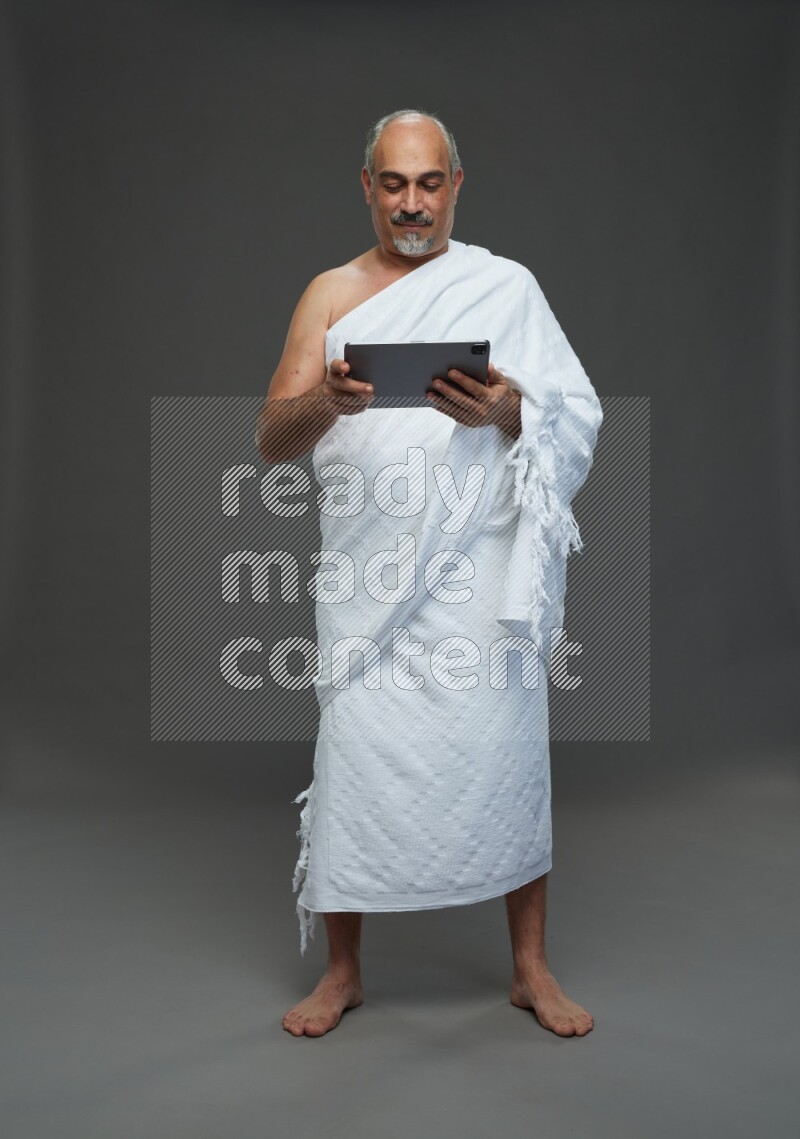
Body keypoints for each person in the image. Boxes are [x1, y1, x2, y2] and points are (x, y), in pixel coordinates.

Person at [256, 109, 602, 1039]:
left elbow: (577, 417)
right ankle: (343, 973)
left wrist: (509, 411)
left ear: (457, 185)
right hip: (367, 579)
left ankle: (530, 967)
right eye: (395, 184)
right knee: (355, 762)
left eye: (430, 182)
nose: (413, 204)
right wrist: (325, 399)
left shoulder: (507, 288)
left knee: (508, 755)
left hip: (478, 578)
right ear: (366, 187)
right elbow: (271, 441)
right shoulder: (329, 295)